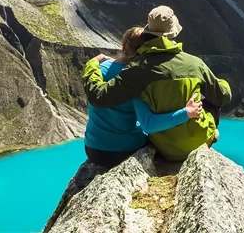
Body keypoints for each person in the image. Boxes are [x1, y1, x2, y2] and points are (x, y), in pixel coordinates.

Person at [83, 6, 232, 161]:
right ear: (173, 32)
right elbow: (223, 96)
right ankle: (209, 134)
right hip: (194, 140)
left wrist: (91, 64)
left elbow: (99, 97)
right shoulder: (195, 63)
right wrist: (220, 84)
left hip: (157, 147)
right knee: (212, 101)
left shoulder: (137, 70)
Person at [83, 26, 203, 168]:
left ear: (123, 45)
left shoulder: (101, 67)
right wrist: (186, 113)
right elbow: (149, 124)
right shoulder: (136, 77)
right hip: (120, 152)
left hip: (92, 149)